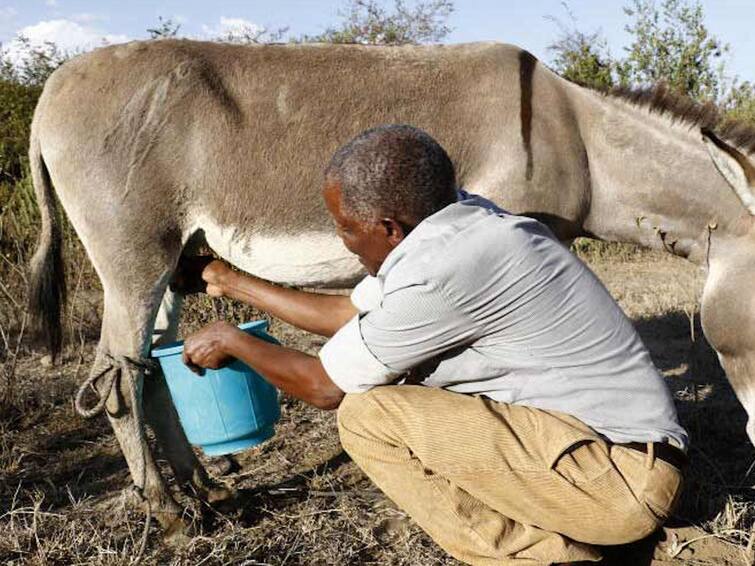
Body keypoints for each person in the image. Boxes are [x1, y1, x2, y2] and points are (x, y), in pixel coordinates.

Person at [175, 124, 688, 565]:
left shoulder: (442, 273)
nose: (345, 242)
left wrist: (233, 338)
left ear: (389, 228)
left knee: (368, 415)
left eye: (347, 229)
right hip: (614, 460)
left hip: (616, 485)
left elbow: (325, 387)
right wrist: (230, 281)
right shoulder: (457, 223)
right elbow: (345, 315)